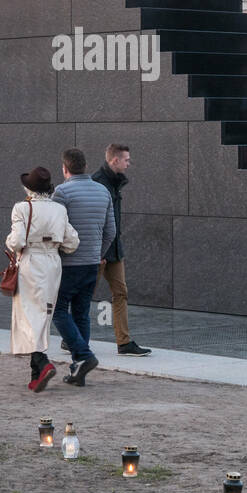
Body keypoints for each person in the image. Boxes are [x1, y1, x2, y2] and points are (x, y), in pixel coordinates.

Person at [8, 166, 79, 392]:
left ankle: (41, 361)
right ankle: (35, 373)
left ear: (28, 188)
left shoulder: (22, 208)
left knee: (29, 314)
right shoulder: (59, 209)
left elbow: (16, 240)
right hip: (53, 262)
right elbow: (72, 242)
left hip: (31, 260)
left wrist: (10, 242)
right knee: (43, 313)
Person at [51, 148, 116, 386]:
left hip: (68, 263)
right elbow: (112, 231)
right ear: (85, 165)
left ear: (65, 168)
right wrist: (98, 253)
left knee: (58, 310)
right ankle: (79, 371)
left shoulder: (62, 192)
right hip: (92, 263)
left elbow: (55, 229)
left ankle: (83, 355)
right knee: (81, 312)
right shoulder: (103, 191)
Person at [92, 144, 150, 356]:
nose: (128, 163)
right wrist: (99, 252)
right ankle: (72, 339)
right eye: (126, 159)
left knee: (121, 293)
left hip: (115, 248)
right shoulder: (98, 182)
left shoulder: (114, 183)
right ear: (114, 160)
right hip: (100, 251)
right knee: (85, 294)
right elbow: (95, 221)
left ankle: (124, 342)